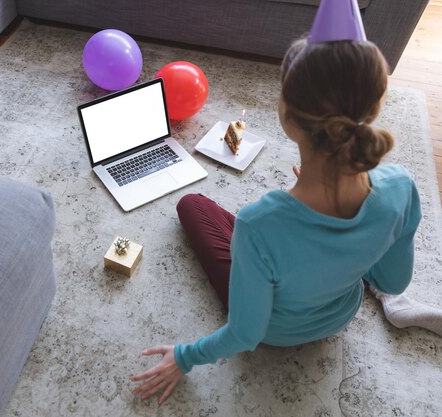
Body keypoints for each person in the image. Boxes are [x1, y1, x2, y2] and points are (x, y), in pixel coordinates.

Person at [129, 35, 427, 404]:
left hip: (277, 330)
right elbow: (393, 282)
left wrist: (183, 356)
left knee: (192, 204)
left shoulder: (259, 222)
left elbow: (245, 334)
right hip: (340, 314)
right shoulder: (401, 186)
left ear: (288, 116)